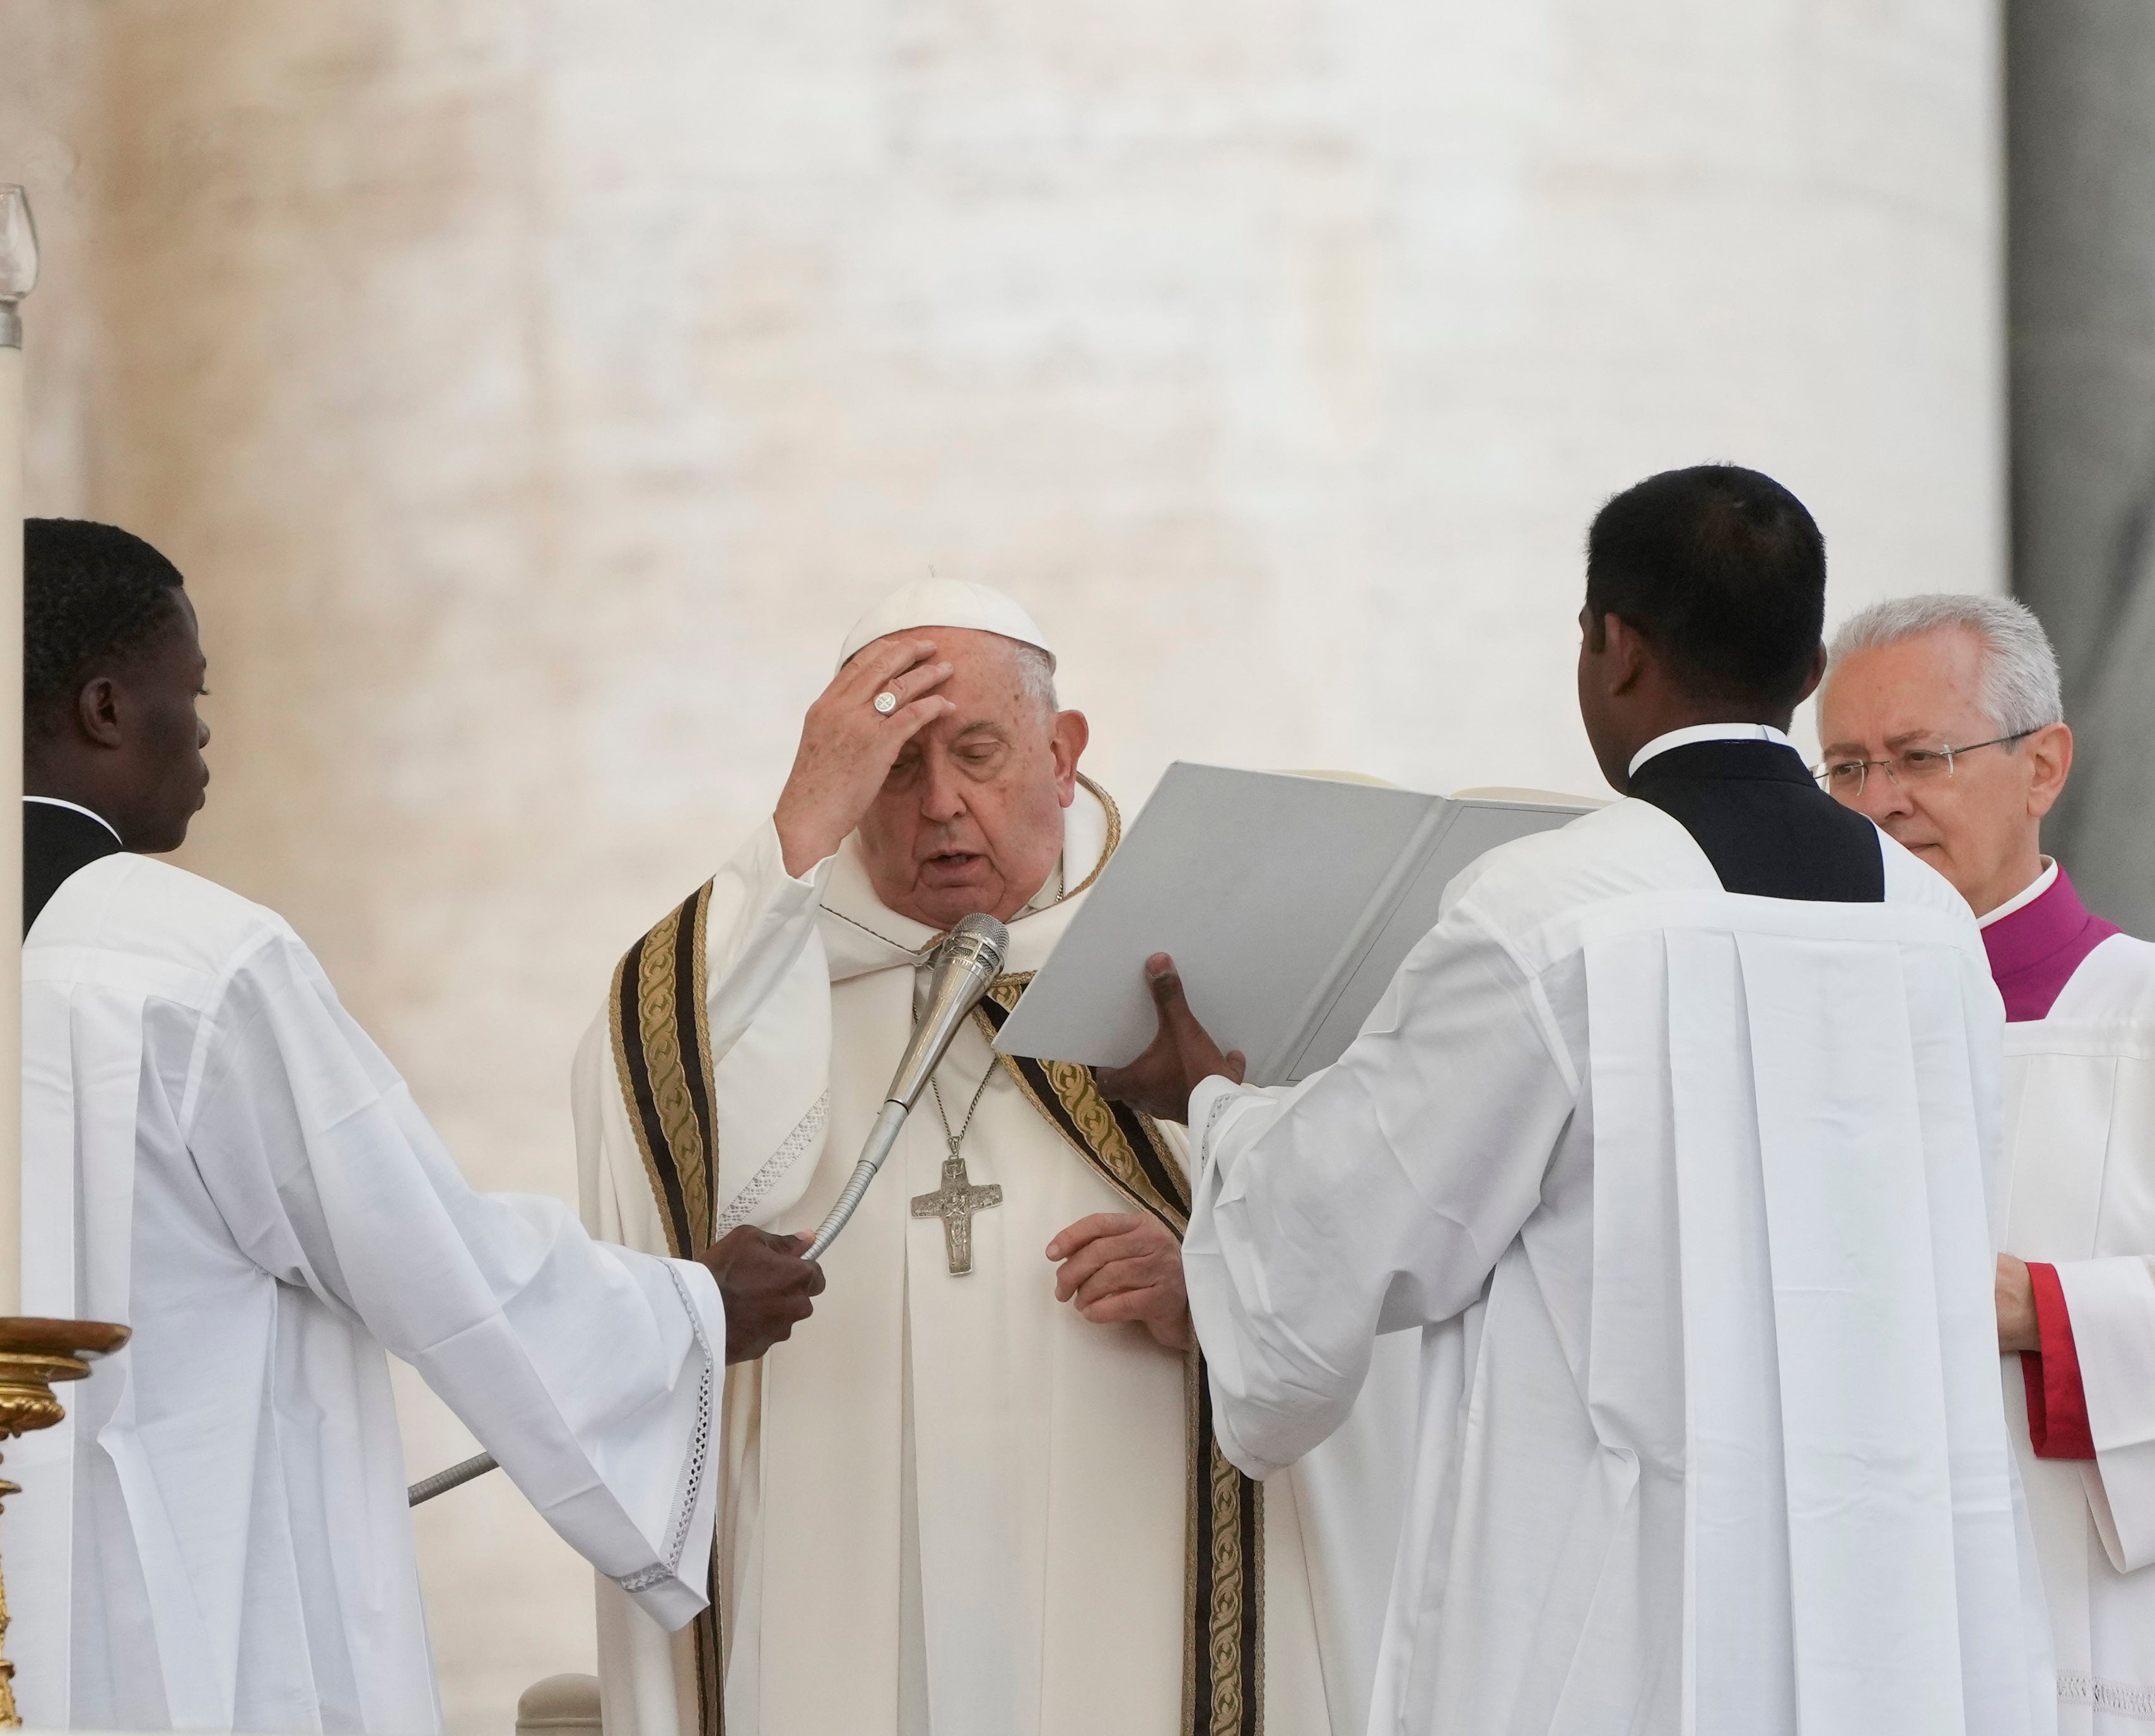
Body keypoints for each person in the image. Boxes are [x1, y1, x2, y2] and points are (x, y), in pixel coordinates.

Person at [0, 520, 824, 1733]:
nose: (203, 731)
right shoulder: (195, 958)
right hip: (174, 1618)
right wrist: (687, 1311)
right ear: (103, 706)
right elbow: (424, 1251)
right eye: (186, 692)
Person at [1101, 466, 2051, 1734]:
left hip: (1627, 1624)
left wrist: (1213, 1103)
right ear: (1810, 666)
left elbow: (1352, 1220)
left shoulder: (1553, 914)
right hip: (1887, 1600)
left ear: (1614, 649)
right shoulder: (1932, 929)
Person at [575, 578, 1415, 1736]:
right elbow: (636, 1111)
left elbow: (1394, 1266)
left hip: (1138, 1550)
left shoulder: (1194, 963)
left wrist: (1216, 1288)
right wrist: (792, 832)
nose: (940, 807)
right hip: (842, 1551)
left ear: (1063, 754)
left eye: (979, 754)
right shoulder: (763, 987)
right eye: (893, 768)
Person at [1818, 593, 2153, 1732]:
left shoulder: (2142, 1017)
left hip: (2089, 1618)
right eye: (1846, 768)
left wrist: (2051, 1311)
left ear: (2043, 765)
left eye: (1921, 758)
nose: (1878, 804)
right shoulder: (1800, 1023)